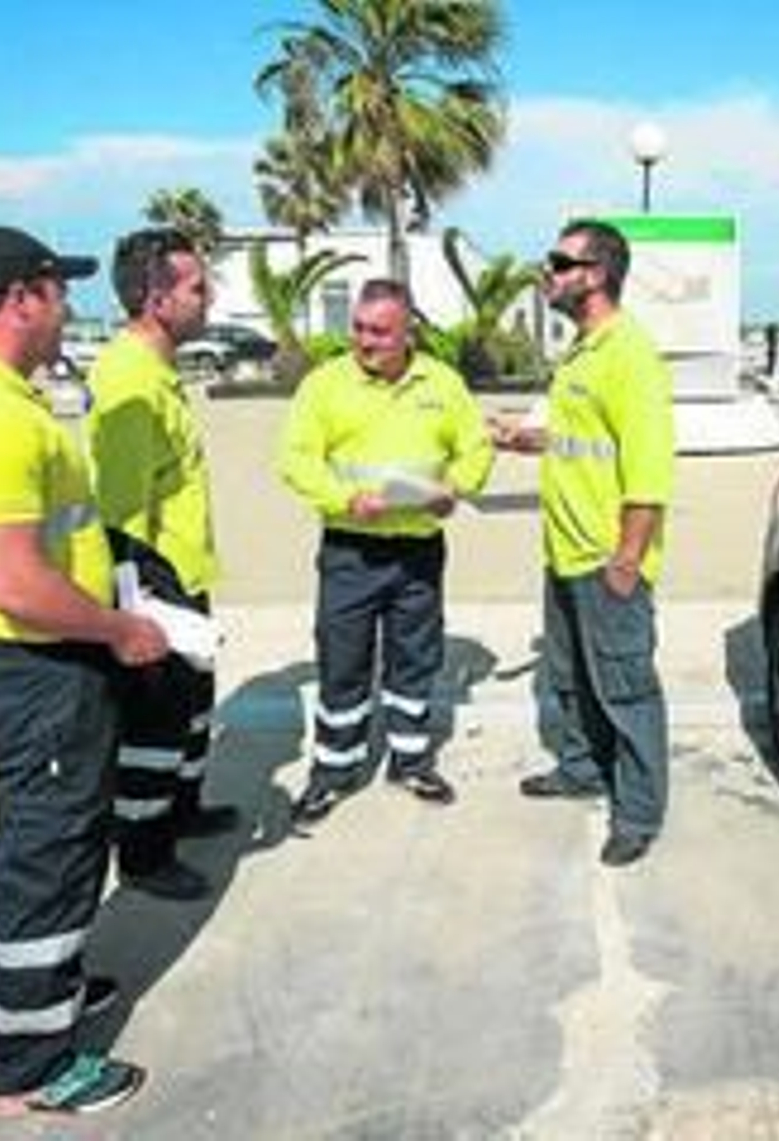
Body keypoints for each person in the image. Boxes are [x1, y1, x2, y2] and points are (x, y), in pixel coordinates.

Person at [0, 226, 168, 1115]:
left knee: (29, 841)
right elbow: (15, 579)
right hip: (37, 666)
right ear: (21, 297)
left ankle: (32, 995)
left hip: (28, 666)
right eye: (59, 291)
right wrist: (119, 630)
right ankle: (31, 1066)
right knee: (50, 858)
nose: (69, 310)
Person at [491, 219, 675, 867]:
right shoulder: (581, 353)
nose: (550, 273)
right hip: (564, 551)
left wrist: (627, 558)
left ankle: (639, 812)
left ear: (596, 274)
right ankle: (581, 768)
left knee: (625, 688)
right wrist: (520, 437)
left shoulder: (630, 354)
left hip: (606, 558)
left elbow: (650, 471)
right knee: (570, 680)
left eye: (560, 262)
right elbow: (575, 438)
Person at [277, 278, 494, 820]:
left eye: (378, 331)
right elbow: (296, 460)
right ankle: (332, 771)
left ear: (407, 332)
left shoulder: (442, 383)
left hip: (419, 552)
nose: (364, 341)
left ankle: (411, 762)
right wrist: (345, 500)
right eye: (358, 327)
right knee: (342, 663)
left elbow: (475, 447)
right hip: (351, 551)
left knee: (415, 661)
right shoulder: (324, 385)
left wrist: (456, 490)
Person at [86, 228, 237, 902]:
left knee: (191, 711)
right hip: (153, 585)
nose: (209, 297)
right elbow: (118, 509)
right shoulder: (129, 379)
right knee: (154, 726)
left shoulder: (157, 371)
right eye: (197, 287)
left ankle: (182, 811)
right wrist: (135, 611)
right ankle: (145, 855)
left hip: (184, 576)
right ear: (156, 299)